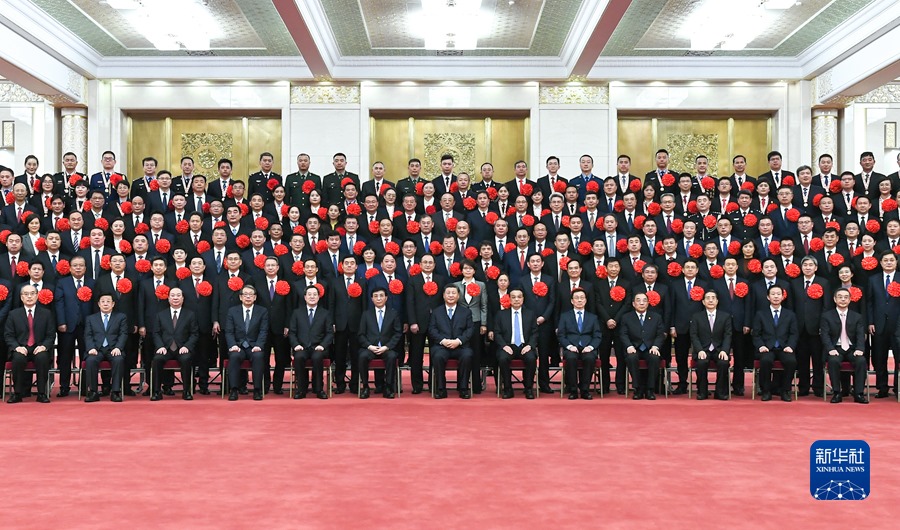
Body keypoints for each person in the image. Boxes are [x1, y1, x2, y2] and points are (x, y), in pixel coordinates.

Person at [4, 285, 56, 403]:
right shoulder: (13, 314)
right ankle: (18, 393)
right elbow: (8, 335)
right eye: (26, 294)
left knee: (42, 358)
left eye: (32, 293)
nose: (29, 296)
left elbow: (51, 335)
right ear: (21, 297)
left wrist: (44, 346)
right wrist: (17, 347)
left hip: (39, 347)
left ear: (37, 296)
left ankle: (42, 393)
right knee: (18, 359)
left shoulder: (46, 314)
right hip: (21, 347)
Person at [751, 285, 799, 402]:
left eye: (778, 294)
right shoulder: (761, 314)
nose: (776, 296)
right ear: (768, 297)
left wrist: (790, 346)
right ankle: (766, 390)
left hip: (784, 347)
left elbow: (794, 333)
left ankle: (785, 390)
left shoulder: (790, 314)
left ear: (783, 297)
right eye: (773, 294)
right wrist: (761, 346)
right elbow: (756, 334)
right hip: (767, 347)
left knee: (791, 361)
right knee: (766, 361)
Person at [820, 288, 868, 404]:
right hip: (835, 348)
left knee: (861, 361)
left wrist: (860, 349)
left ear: (850, 300)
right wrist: (830, 349)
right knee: (833, 361)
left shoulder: (857, 316)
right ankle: (837, 392)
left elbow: (860, 335)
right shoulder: (827, 316)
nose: (843, 299)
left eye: (846, 297)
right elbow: (824, 335)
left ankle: (859, 393)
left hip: (852, 349)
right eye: (840, 297)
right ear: (834, 299)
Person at [150, 288, 198, 401]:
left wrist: (187, 346)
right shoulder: (161, 315)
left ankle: (186, 391)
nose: (175, 298)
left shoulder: (190, 314)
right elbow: (156, 333)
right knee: (157, 359)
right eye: (172, 295)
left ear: (182, 298)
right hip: (165, 348)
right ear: (168, 298)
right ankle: (157, 391)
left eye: (178, 295)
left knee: (186, 359)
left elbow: (194, 334)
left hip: (182, 348)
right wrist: (160, 346)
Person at [428, 284, 474, 399]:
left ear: (458, 296)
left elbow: (470, 329)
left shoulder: (466, 312)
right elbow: (432, 329)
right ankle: (441, 389)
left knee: (467, 355)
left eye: (454, 293)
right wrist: (443, 341)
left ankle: (463, 388)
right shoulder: (436, 312)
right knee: (437, 356)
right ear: (443, 295)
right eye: (448, 293)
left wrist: (458, 341)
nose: (451, 295)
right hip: (442, 346)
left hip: (460, 346)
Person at [225, 285, 269, 401]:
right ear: (240, 297)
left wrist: (259, 345)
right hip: (238, 346)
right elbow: (229, 332)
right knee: (234, 356)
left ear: (255, 297)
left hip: (254, 346)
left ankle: (257, 390)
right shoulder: (232, 311)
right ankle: (234, 390)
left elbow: (263, 331)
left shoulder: (262, 311)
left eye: (251, 294)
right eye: (245, 294)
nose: (248, 297)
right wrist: (233, 345)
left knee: (258, 356)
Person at [289, 285, 333, 399]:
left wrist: (322, 345)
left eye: (314, 294)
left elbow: (329, 333)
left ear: (319, 297)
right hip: (301, 347)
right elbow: (292, 332)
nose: (312, 297)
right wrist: (296, 345)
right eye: (309, 294)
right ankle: (301, 389)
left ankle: (318, 389)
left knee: (317, 357)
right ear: (305, 297)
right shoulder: (297, 313)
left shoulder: (325, 313)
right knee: (299, 357)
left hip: (318, 347)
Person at [619, 293, 666, 400]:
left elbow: (660, 335)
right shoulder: (626, 317)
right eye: (638, 300)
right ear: (633, 303)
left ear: (648, 303)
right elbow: (623, 334)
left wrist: (655, 346)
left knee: (654, 357)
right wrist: (629, 346)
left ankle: (650, 389)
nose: (641, 303)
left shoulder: (656, 317)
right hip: (634, 348)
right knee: (631, 358)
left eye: (644, 300)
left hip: (650, 348)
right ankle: (638, 389)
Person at [558, 288, 603, 400]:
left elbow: (597, 335)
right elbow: (561, 335)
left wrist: (590, 347)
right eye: (577, 298)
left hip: (588, 347)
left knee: (589, 358)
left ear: (586, 300)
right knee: (571, 358)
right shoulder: (565, 316)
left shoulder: (593, 317)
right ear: (572, 301)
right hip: (571, 347)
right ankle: (573, 390)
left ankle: (585, 390)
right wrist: (569, 346)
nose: (579, 300)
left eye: (582, 298)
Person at [357, 287, 402, 399]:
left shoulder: (393, 313)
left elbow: (397, 333)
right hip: (371, 348)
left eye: (381, 296)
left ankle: (388, 387)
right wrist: (369, 346)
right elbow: (361, 334)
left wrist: (387, 347)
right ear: (372, 299)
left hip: (387, 348)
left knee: (392, 356)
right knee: (362, 356)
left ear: (386, 298)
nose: (378, 298)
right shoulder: (366, 314)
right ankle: (365, 387)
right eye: (375, 296)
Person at [493, 288, 538, 399]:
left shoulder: (530, 314)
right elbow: (497, 333)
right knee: (503, 358)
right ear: (509, 299)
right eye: (513, 297)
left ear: (523, 299)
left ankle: (528, 388)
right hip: (508, 346)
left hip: (525, 346)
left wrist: (530, 345)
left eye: (519, 297)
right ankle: (507, 388)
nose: (516, 299)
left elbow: (535, 333)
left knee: (531, 358)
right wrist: (504, 346)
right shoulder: (501, 314)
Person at [689, 291, 733, 400]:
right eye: (708, 298)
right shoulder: (696, 317)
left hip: (719, 350)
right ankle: (702, 391)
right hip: (703, 349)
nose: (710, 300)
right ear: (703, 302)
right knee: (701, 362)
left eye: (713, 298)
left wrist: (724, 350)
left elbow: (728, 335)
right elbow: (694, 335)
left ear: (717, 301)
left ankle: (720, 392)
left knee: (723, 363)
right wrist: (699, 350)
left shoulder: (725, 317)